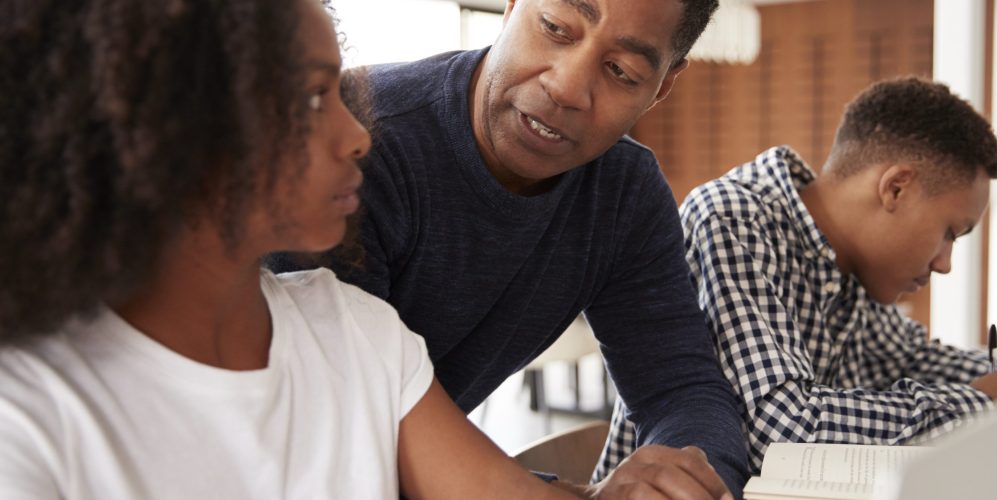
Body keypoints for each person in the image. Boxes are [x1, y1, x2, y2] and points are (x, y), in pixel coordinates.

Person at [0, 1, 582, 498]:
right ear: (160, 124)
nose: (357, 136)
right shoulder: (27, 411)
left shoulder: (355, 332)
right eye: (310, 99)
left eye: (337, 91)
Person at [268, 0, 748, 497]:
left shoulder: (623, 194)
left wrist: (687, 485)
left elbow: (680, 389)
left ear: (662, 87)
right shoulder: (353, 159)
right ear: (513, 5)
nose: (566, 87)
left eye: (621, 71)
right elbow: (339, 451)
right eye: (555, 28)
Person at [596, 77, 997, 476]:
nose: (945, 262)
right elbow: (781, 430)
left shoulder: (850, 269)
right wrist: (985, 401)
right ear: (895, 188)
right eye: (951, 232)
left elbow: (925, 361)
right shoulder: (734, 218)